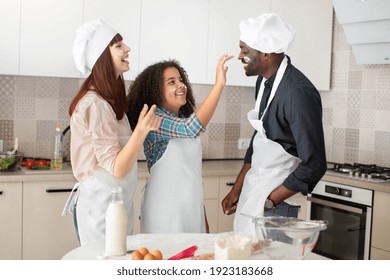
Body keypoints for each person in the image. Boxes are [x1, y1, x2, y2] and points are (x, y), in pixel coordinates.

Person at [221, 13, 327, 239]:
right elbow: (259, 139)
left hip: (278, 204)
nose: (240, 56)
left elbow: (314, 164)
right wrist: (237, 189)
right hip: (256, 190)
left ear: (265, 52)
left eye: (244, 50)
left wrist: (270, 201)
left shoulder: (298, 94)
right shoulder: (264, 80)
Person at [62, 19, 160, 246]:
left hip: (114, 206)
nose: (127, 49)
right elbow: (117, 167)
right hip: (100, 211)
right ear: (102, 58)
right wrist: (141, 132)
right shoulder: (94, 105)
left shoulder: (110, 103)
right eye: (118, 46)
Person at [127, 55, 233, 233]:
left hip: (192, 209)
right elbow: (192, 128)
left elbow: (192, 176)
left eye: (181, 80)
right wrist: (218, 85)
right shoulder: (154, 119)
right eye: (171, 82)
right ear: (156, 90)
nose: (181, 85)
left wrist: (202, 215)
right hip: (165, 211)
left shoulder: (181, 118)